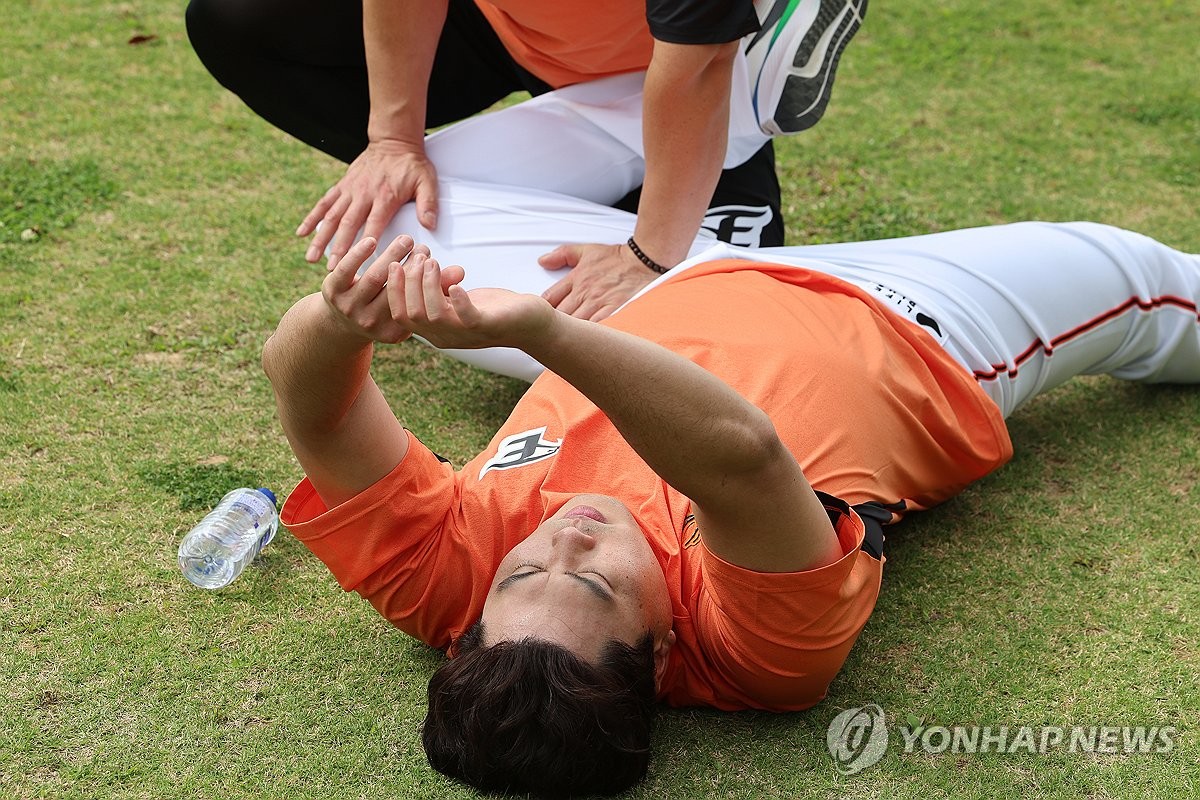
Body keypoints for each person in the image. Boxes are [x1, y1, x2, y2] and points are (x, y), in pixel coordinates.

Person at [260, 179, 1200, 796]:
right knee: (1161, 283)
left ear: (469, 626)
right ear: (660, 661)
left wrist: (346, 316)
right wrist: (535, 334)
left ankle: (723, 191)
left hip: (648, 286)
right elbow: (741, 454)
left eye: (520, 574)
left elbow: (318, 408)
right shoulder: (755, 657)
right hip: (913, 319)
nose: (564, 539)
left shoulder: (447, 592)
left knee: (377, 227)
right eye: (593, 582)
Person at [185, 0, 868, 320]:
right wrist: (393, 139)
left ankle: (763, 57)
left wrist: (650, 255)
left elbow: (695, 67)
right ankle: (588, 194)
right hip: (500, 30)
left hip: (670, 74)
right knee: (238, 23)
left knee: (718, 318)